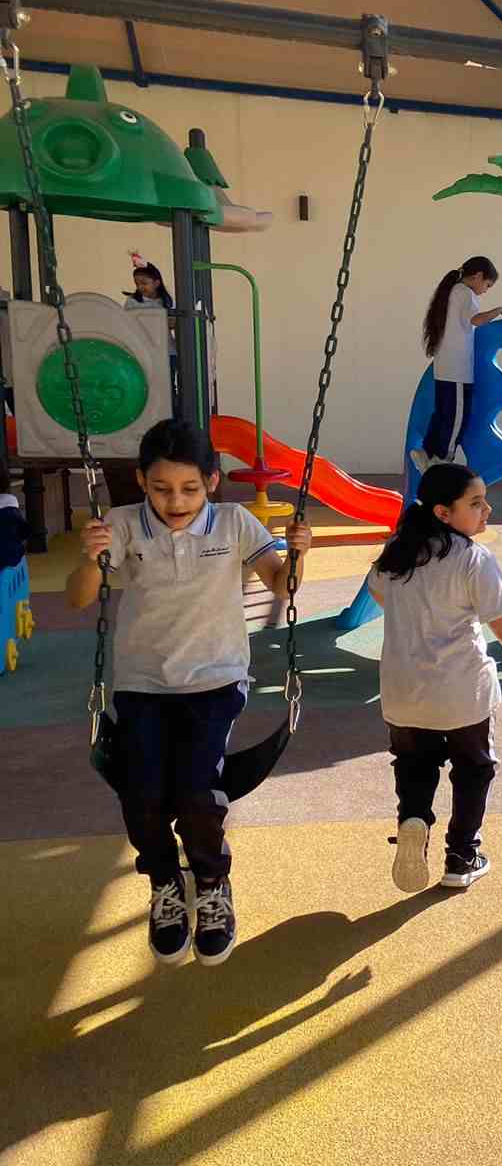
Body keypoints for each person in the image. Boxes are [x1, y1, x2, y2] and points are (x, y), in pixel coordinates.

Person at [66, 418, 313, 967]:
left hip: (215, 680)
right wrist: (89, 557)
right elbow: (79, 598)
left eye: (189, 489)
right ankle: (164, 882)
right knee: (142, 796)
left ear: (212, 481)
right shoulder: (122, 524)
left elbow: (282, 585)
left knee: (198, 793)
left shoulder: (234, 523)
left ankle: (211, 880)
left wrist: (299, 553)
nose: (175, 502)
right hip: (142, 684)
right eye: (160, 489)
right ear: (141, 481)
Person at [367, 463, 502, 891]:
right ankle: (461, 856)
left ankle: (413, 820)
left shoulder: (398, 553)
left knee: (414, 766)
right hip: (462, 692)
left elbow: (378, 592)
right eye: (476, 503)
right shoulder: (473, 558)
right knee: (473, 769)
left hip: (403, 692)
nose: (487, 510)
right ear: (443, 513)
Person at [413, 256, 502, 476]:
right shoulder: (465, 293)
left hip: (445, 368)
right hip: (457, 371)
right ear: (478, 276)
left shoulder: (452, 291)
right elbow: (475, 320)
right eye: (487, 285)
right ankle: (442, 462)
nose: (485, 291)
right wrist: (499, 310)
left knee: (443, 414)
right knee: (456, 419)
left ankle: (427, 452)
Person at [123, 257, 179, 409]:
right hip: (144, 350)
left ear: (156, 283)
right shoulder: (133, 301)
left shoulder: (166, 301)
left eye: (144, 283)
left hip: (167, 350)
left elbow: (173, 323)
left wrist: (165, 321)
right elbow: (127, 323)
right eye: (137, 284)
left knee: (168, 386)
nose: (140, 287)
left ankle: (170, 414)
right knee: (148, 386)